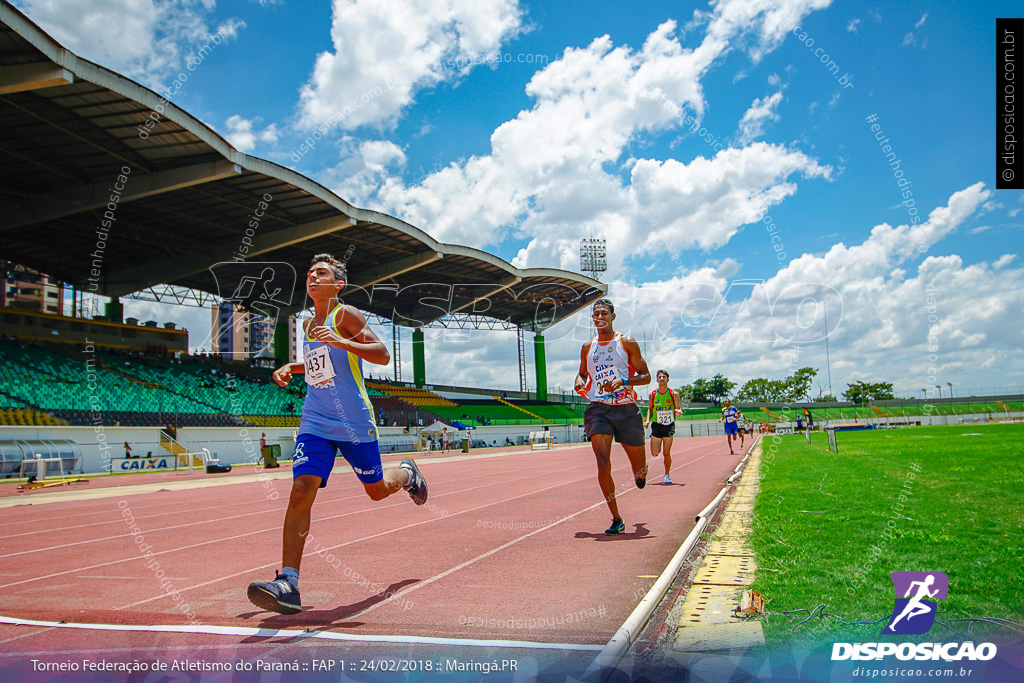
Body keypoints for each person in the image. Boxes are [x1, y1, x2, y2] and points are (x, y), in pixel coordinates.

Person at [247, 253, 427, 616]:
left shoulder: (346, 315)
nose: (312, 276)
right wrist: (291, 366)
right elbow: (320, 363)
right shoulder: (306, 323)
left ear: (338, 284)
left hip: (353, 421)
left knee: (376, 491)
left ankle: (408, 474)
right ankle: (288, 582)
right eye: (310, 272)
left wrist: (344, 341)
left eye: (321, 273)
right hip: (315, 419)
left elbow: (381, 354)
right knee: (301, 490)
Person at [574, 298, 652, 536]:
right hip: (599, 409)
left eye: (604, 313)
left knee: (638, 469)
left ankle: (641, 472)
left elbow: (646, 376)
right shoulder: (588, 347)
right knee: (602, 462)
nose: (599, 317)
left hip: (626, 410)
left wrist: (624, 380)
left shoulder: (626, 342)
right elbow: (581, 374)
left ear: (613, 316)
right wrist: (579, 383)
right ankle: (616, 518)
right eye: (596, 314)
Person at [645, 370, 682, 484]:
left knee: (666, 453)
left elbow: (678, 408)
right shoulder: (653, 394)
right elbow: (650, 409)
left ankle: (667, 474)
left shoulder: (673, 394)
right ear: (657, 380)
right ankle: (656, 450)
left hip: (669, 425)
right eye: (660, 377)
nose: (662, 379)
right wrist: (647, 420)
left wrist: (678, 411)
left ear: (667, 380)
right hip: (657, 425)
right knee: (655, 453)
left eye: (664, 377)